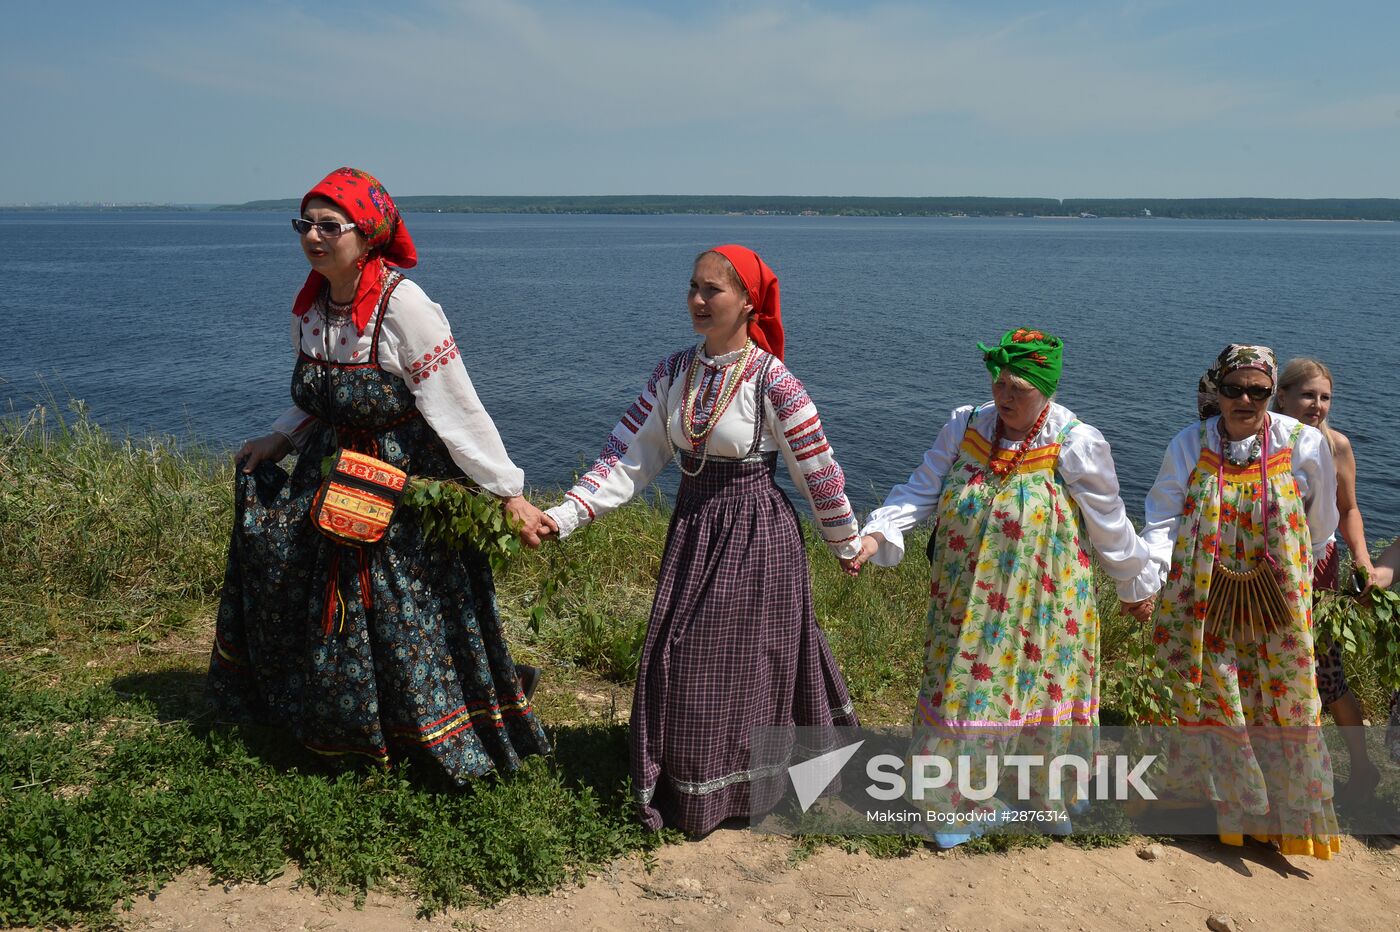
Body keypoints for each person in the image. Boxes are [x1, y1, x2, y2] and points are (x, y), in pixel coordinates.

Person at [207, 167, 552, 783]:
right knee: (310, 586)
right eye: (304, 224)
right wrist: (278, 438)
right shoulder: (313, 306)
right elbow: (320, 398)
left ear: (366, 236)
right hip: (327, 475)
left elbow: (456, 405)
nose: (313, 237)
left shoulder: (404, 306)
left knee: (397, 604)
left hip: (401, 485)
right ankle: (336, 719)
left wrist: (507, 492)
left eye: (328, 225)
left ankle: (415, 732)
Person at [543, 245, 861, 835]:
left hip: (756, 535)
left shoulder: (772, 380)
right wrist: (565, 515)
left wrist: (846, 543)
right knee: (684, 660)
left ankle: (748, 788)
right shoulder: (674, 373)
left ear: (748, 302)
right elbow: (627, 457)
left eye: (712, 290)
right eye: (692, 287)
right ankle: (696, 789)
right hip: (695, 528)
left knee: (750, 664)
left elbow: (815, 468)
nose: (696, 300)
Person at [851, 328, 1158, 841]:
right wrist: (876, 532)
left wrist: (1136, 585)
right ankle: (952, 802)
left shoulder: (1075, 443)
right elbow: (921, 488)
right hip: (966, 602)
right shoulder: (966, 426)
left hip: (1048, 604)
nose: (1005, 396)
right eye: (1000, 383)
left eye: (1020, 388)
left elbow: (1110, 525)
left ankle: (1046, 796)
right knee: (969, 689)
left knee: (1041, 688)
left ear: (1047, 388)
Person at [1141, 344, 1340, 858]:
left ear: (1272, 393)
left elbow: (1322, 522)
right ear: (1218, 390)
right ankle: (1217, 810)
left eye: (1258, 390)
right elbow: (1163, 516)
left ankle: (1284, 818)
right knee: (1214, 691)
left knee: (1285, 696)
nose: (1245, 399)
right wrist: (1152, 574)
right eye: (1234, 389)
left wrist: (1296, 571)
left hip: (1277, 599)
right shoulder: (1190, 444)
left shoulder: (1303, 444)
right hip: (1204, 595)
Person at [1273, 357, 1378, 798]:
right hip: (1263, 567)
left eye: (1324, 397)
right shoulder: (1262, 440)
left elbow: (1349, 508)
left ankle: (1362, 767)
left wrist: (1363, 560)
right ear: (1282, 395)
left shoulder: (1335, 445)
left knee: (1325, 674)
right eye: (1307, 394)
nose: (1316, 404)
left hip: (1317, 569)